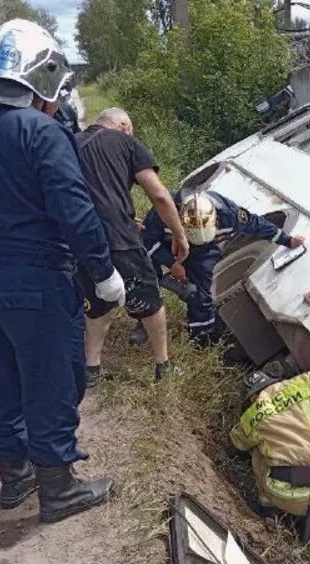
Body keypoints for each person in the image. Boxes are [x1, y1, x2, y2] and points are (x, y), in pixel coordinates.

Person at [0, 19, 123, 524]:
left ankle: (14, 478)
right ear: (40, 78)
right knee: (53, 377)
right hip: (37, 278)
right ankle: (58, 490)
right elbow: (75, 212)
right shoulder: (41, 132)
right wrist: (103, 272)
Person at [74, 107, 189, 383]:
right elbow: (159, 195)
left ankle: (92, 369)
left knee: (97, 304)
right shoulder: (126, 141)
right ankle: (163, 366)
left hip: (81, 239)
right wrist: (179, 234)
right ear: (123, 126)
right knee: (149, 301)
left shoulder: (71, 142)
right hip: (120, 240)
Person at [131, 188, 306, 347]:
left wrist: (288, 240)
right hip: (166, 244)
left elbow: (258, 226)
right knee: (145, 275)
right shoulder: (165, 211)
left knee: (201, 295)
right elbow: (147, 241)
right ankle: (146, 321)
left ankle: (202, 339)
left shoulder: (231, 215)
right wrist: (172, 263)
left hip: (204, 251)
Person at [230, 366, 310, 549]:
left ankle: (269, 510)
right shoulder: (304, 383)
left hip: (291, 497)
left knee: (259, 451)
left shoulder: (252, 414)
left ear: (251, 396)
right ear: (273, 379)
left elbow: (238, 444)